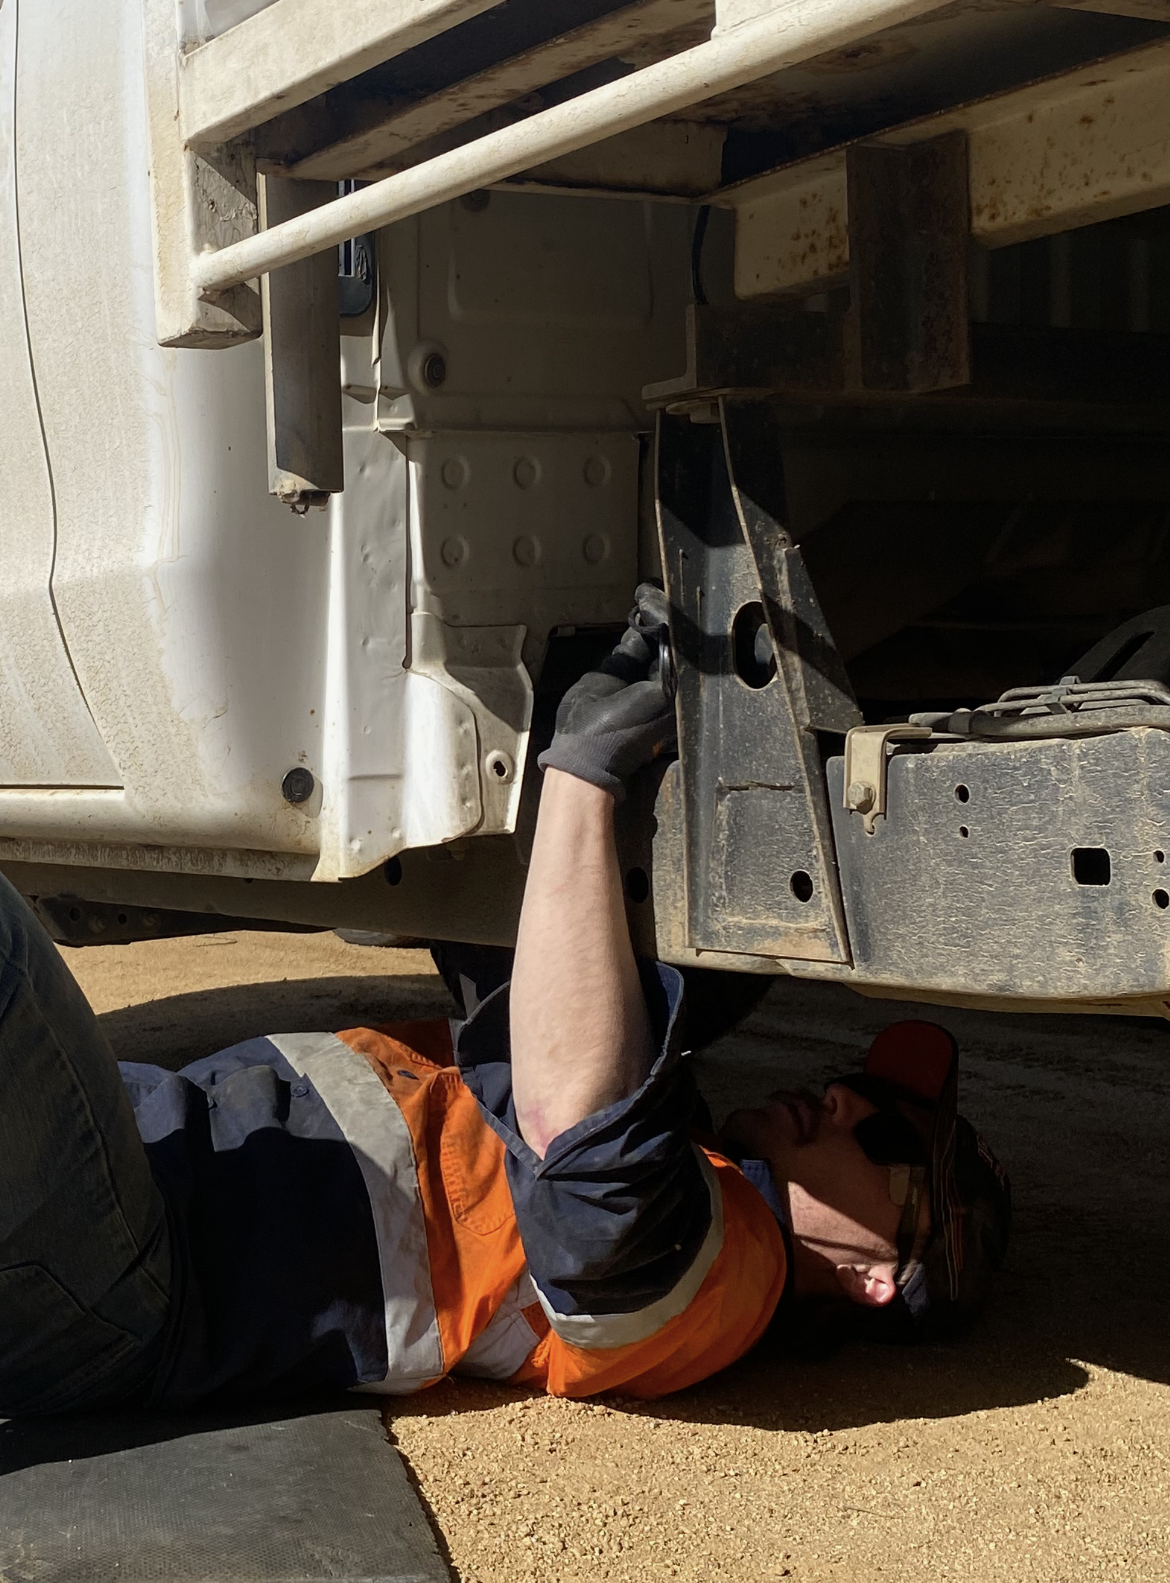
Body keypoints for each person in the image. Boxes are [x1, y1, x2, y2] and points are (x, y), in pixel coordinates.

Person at [0, 591, 1010, 1419]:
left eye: (880, 1127)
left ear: (884, 1273)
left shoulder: (734, 1286)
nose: (837, 1097)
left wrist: (585, 774)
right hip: (123, 1204)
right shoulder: (704, 1166)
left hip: (129, 1276)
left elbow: (582, 1159)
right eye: (851, 1085)